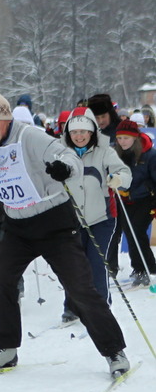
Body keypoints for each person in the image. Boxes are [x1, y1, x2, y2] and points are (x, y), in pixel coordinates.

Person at [0, 91, 129, 375]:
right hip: (17, 225)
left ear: (8, 118)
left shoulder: (30, 136)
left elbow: (68, 155)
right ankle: (7, 349)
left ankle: (114, 351)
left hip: (54, 222)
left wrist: (65, 168)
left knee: (80, 288)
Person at [58, 107, 131, 321]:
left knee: (96, 263)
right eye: (74, 132)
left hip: (101, 218)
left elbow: (124, 172)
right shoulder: (60, 152)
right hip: (71, 220)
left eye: (83, 131)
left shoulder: (104, 151)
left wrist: (117, 178)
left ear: (92, 132)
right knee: (73, 266)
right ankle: (72, 307)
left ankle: (101, 308)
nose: (79, 136)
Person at [109, 117, 156, 285]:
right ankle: (144, 267)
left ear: (135, 137)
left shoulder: (149, 154)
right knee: (129, 234)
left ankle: (144, 268)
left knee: (137, 232)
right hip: (123, 200)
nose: (122, 142)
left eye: (126, 138)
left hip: (144, 200)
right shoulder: (115, 153)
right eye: (119, 138)